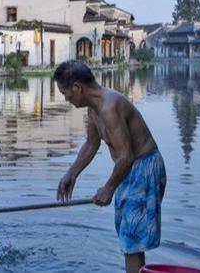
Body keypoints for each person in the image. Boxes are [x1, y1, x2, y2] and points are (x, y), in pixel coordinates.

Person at [54, 60, 166, 273]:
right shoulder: (94, 109)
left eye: (64, 92)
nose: (65, 98)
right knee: (128, 236)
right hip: (129, 169)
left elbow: (126, 155)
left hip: (144, 167)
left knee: (131, 237)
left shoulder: (109, 107)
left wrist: (108, 188)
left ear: (77, 88)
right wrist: (71, 174)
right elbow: (91, 144)